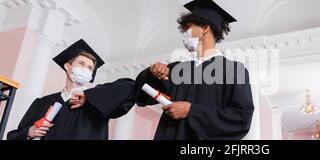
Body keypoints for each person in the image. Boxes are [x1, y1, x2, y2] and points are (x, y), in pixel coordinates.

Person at [135, 0, 254, 140]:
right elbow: (140, 97)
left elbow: (241, 119)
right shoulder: (176, 70)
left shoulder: (233, 70)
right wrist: (151, 72)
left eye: (188, 28)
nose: (184, 34)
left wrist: (192, 111)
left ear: (204, 28)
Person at [7, 39, 136, 140]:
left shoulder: (98, 100)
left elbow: (130, 87)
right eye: (81, 64)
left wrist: (88, 96)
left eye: (90, 68)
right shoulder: (43, 103)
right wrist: (29, 132)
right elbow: (13, 136)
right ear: (68, 67)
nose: (86, 69)